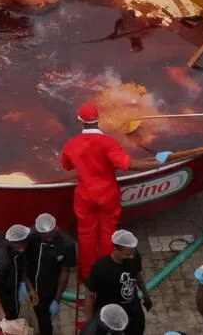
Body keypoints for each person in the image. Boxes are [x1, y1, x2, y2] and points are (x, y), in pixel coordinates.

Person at [60, 104, 169, 281]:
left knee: (85, 235)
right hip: (107, 195)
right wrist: (157, 163)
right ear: (98, 120)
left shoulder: (71, 145)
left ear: (80, 122)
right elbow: (128, 165)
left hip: (85, 196)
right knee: (107, 233)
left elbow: (67, 166)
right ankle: (107, 273)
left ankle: (87, 275)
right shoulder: (109, 143)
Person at [83, 229, 150, 335]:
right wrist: (91, 322)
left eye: (132, 253)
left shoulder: (135, 257)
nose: (131, 257)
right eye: (127, 254)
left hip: (133, 309)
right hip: (111, 314)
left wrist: (146, 296)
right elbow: (90, 295)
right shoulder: (100, 268)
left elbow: (137, 277)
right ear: (115, 249)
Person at [26, 213, 76, 335]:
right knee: (41, 317)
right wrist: (29, 287)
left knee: (45, 322)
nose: (48, 237)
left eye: (50, 234)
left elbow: (65, 272)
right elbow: (22, 261)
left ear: (56, 228)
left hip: (50, 290)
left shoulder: (67, 244)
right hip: (32, 285)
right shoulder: (30, 237)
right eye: (44, 235)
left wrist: (57, 300)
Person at [0, 225, 33, 331]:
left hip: (13, 294)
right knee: (4, 325)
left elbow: (22, 268)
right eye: (19, 243)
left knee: (13, 316)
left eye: (24, 241)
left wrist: (29, 287)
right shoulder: (1, 261)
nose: (24, 245)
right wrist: (1, 312)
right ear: (11, 242)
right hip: (2, 300)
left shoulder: (20, 250)